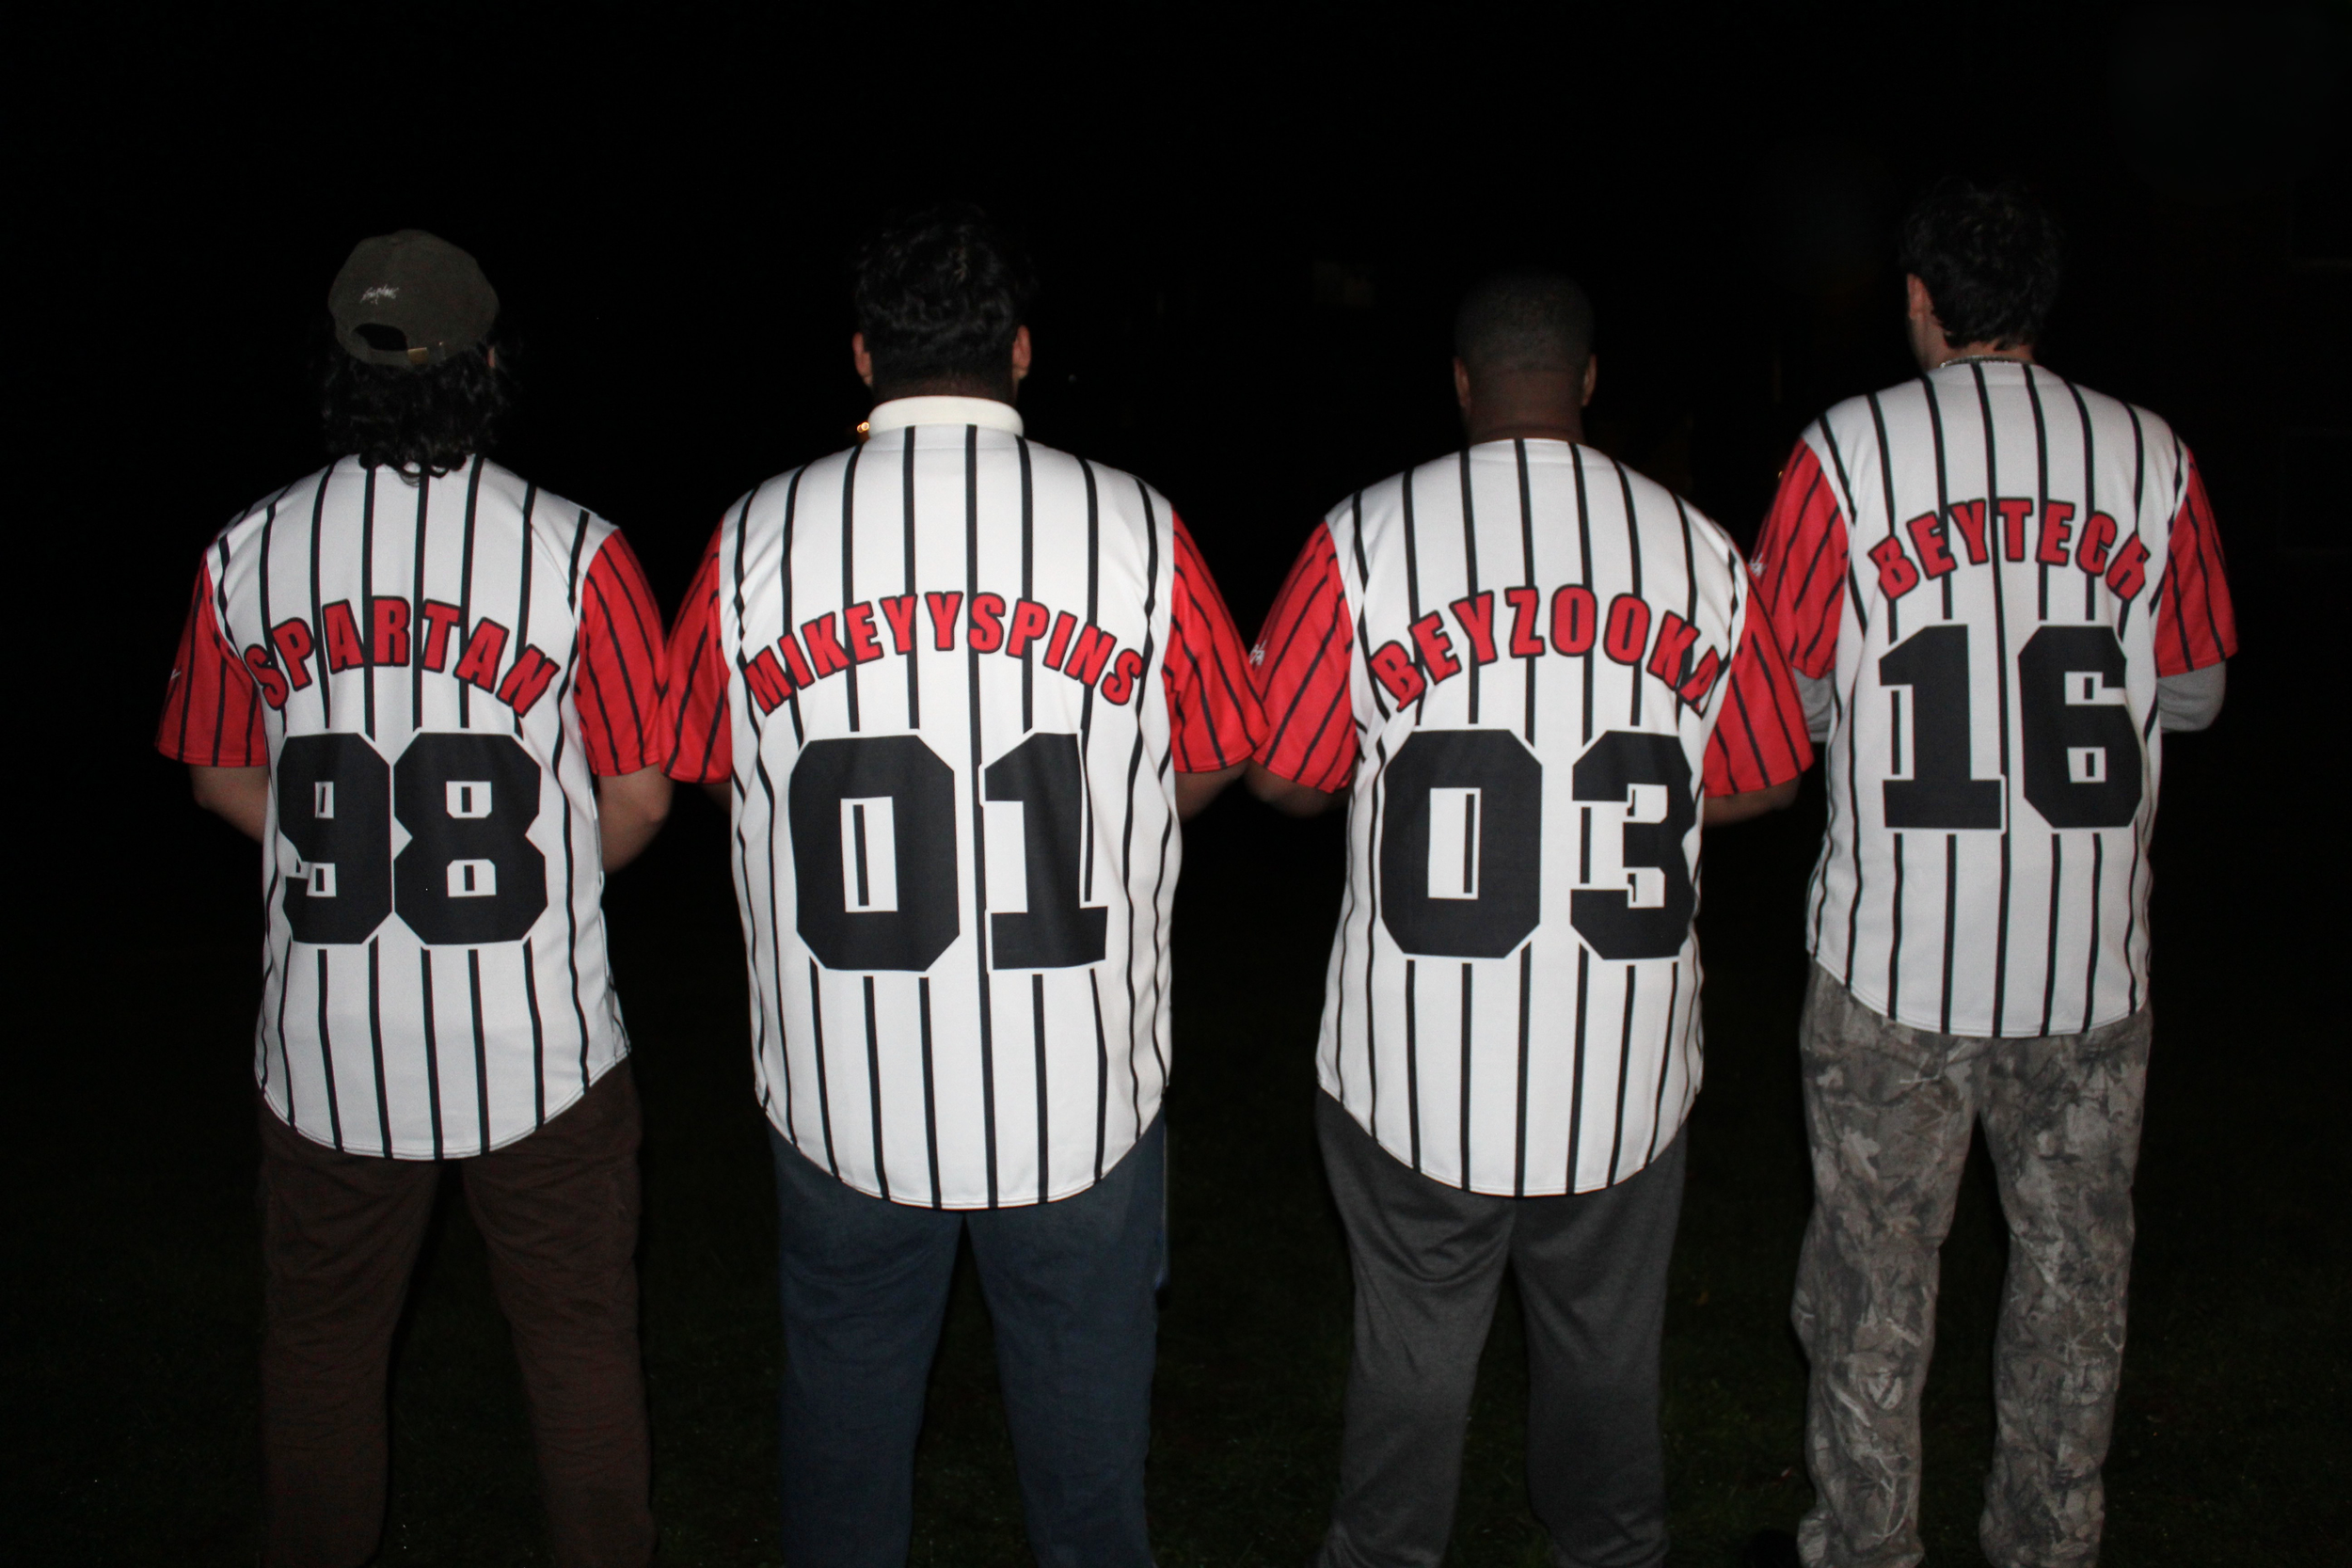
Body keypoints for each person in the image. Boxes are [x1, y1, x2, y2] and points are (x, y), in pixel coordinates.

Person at [659, 204, 1263, 1567]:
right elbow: (1229, 749)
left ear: (866, 355)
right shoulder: (1138, 527)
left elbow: (696, 758)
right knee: (1090, 1479)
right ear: (1024, 352)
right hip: (1080, 1089)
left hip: (844, 1084)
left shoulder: (758, 529)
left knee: (845, 1448)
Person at [1247, 269, 1815, 1568]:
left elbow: (1280, 769)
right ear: (1591, 382)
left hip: (1414, 1073)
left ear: (1461, 383)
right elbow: (1773, 771)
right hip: (1620, 1069)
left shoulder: (1369, 535)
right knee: (1607, 1372)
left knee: (1411, 1360)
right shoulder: (1699, 547)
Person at [155, 230, 673, 1568]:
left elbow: (218, 774)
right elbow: (640, 797)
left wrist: (344, 862)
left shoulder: (246, 551)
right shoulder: (578, 553)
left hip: (329, 1043)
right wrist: (536, 879)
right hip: (536, 1040)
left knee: (322, 1351)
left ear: (340, 371)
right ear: (491, 362)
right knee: (576, 1352)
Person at [1741, 182, 2235, 1568]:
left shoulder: (1843, 452)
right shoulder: (2153, 455)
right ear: (2045, 299)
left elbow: (1784, 694)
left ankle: (1865, 1543)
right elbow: (2192, 693)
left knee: (1870, 1290)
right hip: (2087, 967)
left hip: (1895, 961)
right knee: (2074, 1289)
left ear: (1917, 297)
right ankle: (2045, 1543)